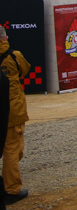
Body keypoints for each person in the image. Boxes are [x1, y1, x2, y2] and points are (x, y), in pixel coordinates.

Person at [0, 26, 30, 205]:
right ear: (5, 38)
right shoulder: (13, 56)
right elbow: (24, 70)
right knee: (12, 150)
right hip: (12, 110)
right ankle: (11, 190)